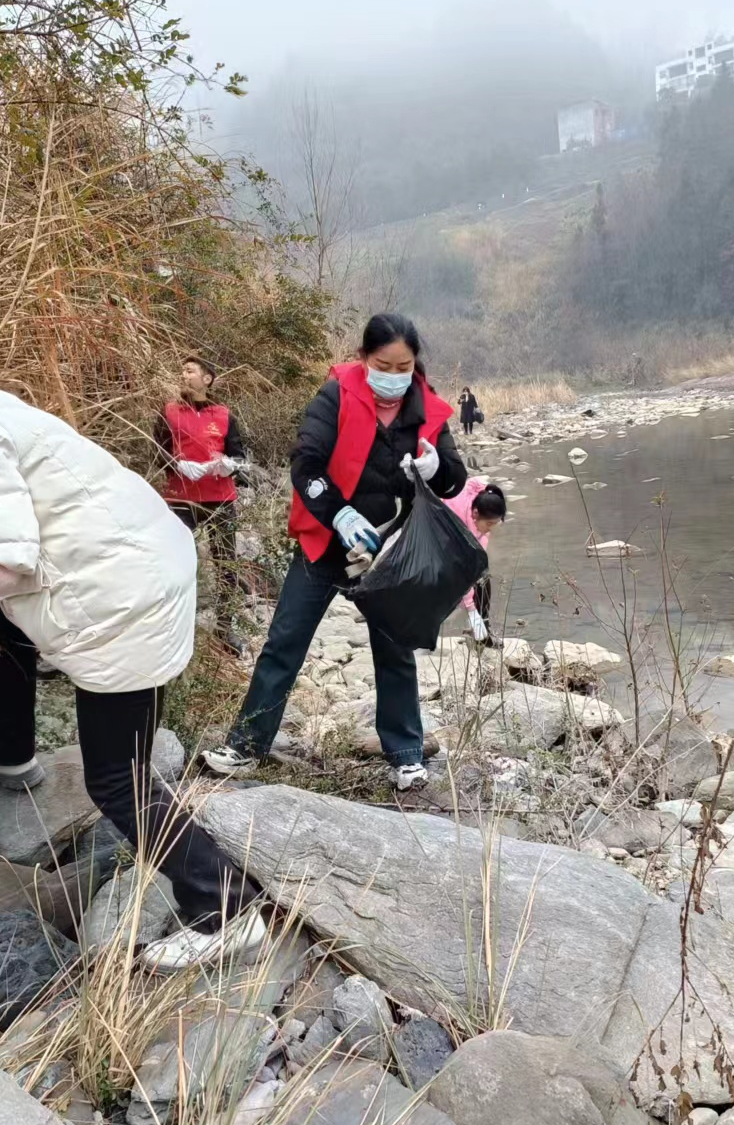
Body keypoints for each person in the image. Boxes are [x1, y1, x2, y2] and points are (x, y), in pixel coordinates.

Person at [0, 322, 261, 971]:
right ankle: (1, 751)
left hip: (121, 594)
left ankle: (226, 902)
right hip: (138, 560)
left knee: (114, 779)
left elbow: (3, 552)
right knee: (0, 614)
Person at [201, 313, 468, 791]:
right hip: (327, 543)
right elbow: (306, 462)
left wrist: (435, 468)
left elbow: (454, 478)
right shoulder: (337, 395)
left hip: (390, 552)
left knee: (395, 650)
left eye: (404, 364)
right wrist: (340, 514)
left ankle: (406, 754)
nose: (394, 374)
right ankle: (246, 745)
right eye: (383, 364)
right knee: (285, 640)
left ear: (415, 364)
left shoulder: (429, 410)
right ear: (365, 359)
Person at [155, 357, 246, 644]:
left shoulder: (224, 415)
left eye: (190, 370)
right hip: (180, 498)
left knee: (226, 564)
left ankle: (224, 627)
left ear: (207, 379)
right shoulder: (169, 411)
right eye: (181, 369)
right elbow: (157, 450)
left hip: (219, 498)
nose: (183, 374)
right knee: (177, 562)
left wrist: (228, 465)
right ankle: (177, 625)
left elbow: (240, 455)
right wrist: (177, 465)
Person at [443, 477, 508, 642]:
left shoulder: (481, 503)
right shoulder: (459, 526)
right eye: (489, 524)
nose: (490, 530)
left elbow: (476, 564)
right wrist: (471, 610)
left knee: (483, 576)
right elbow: (463, 574)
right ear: (475, 514)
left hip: (457, 539)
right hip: (436, 541)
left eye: (496, 524)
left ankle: (485, 629)